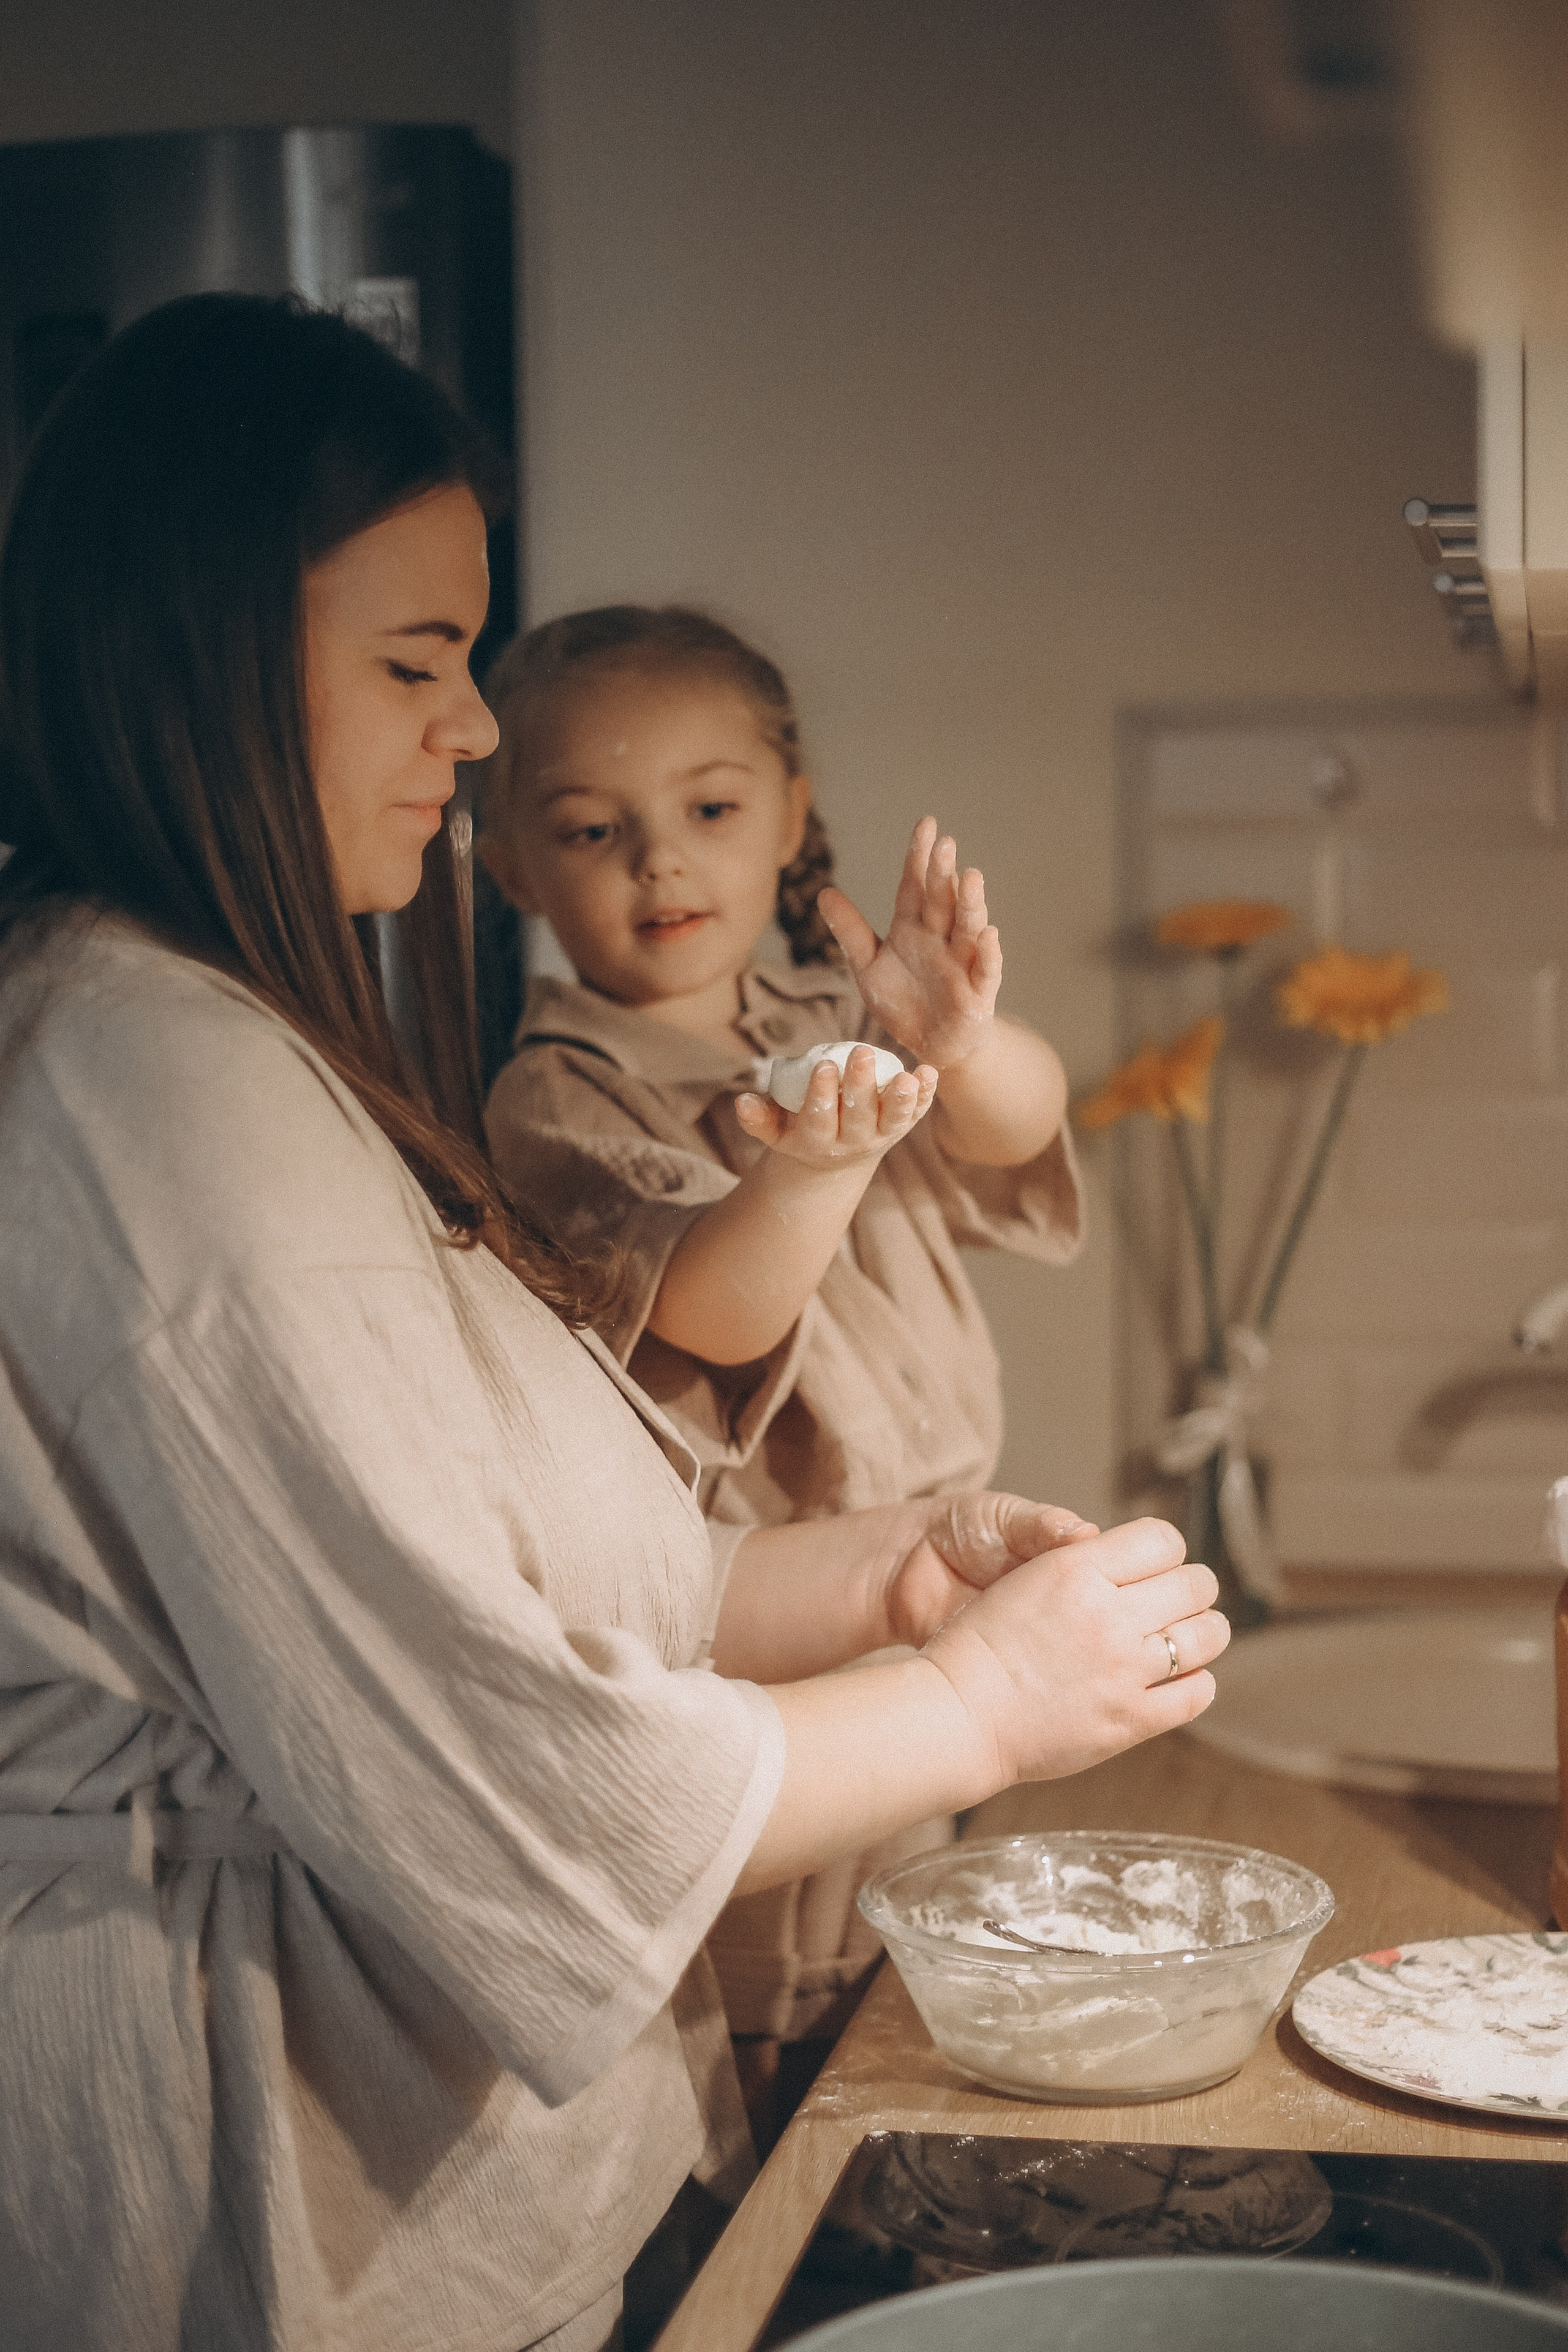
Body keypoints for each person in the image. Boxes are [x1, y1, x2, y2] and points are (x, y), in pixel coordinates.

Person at [0, 291, 1227, 2352]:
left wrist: (859, 1578)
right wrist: (984, 1707)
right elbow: (513, 1776)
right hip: (263, 2200)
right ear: (200, 660)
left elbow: (492, 1554)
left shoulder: (222, 1039)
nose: (467, 730)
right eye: (415, 666)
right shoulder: (151, 1097)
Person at [476, 609, 1082, 2127]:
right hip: (766, 1621)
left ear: (790, 820)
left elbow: (1018, 1131)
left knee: (920, 1972)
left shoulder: (836, 1023)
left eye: (708, 810)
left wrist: (960, 1037)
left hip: (940, 1586)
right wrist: (812, 1170)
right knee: (784, 2011)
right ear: (505, 867)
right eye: (590, 828)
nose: (658, 862)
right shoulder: (556, 1092)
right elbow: (712, 1316)